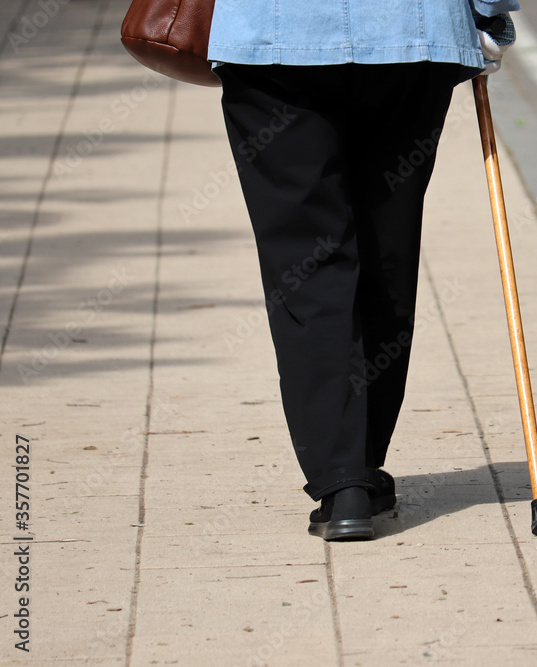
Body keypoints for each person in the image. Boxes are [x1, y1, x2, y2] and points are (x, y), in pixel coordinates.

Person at [207, 0, 518, 541]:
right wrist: (490, 15)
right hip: (412, 35)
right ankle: (362, 467)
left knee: (305, 262)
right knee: (387, 248)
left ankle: (342, 480)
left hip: (275, 39)